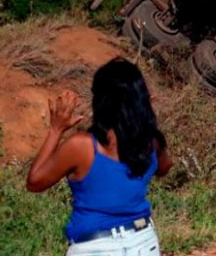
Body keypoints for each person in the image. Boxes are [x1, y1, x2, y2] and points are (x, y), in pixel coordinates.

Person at [26, 58, 172, 255]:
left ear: (100, 101)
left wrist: (56, 129)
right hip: (143, 242)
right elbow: (164, 168)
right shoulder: (151, 142)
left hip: (95, 246)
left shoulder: (83, 146)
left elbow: (35, 182)